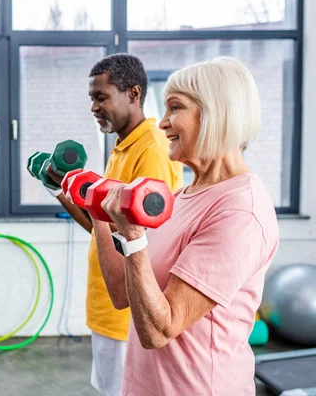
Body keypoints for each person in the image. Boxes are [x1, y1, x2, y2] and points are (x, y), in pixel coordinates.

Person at [96, 57, 279, 395]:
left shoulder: (241, 210)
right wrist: (99, 213)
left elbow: (160, 329)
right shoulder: (182, 196)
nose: (162, 123)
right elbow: (123, 294)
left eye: (175, 108)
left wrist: (134, 238)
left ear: (216, 113)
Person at [44, 53, 183, 395]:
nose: (93, 107)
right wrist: (62, 191)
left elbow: (139, 241)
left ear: (133, 94)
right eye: (92, 98)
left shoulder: (151, 150)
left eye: (100, 97)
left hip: (127, 316)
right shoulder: (121, 147)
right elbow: (102, 227)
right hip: (107, 309)